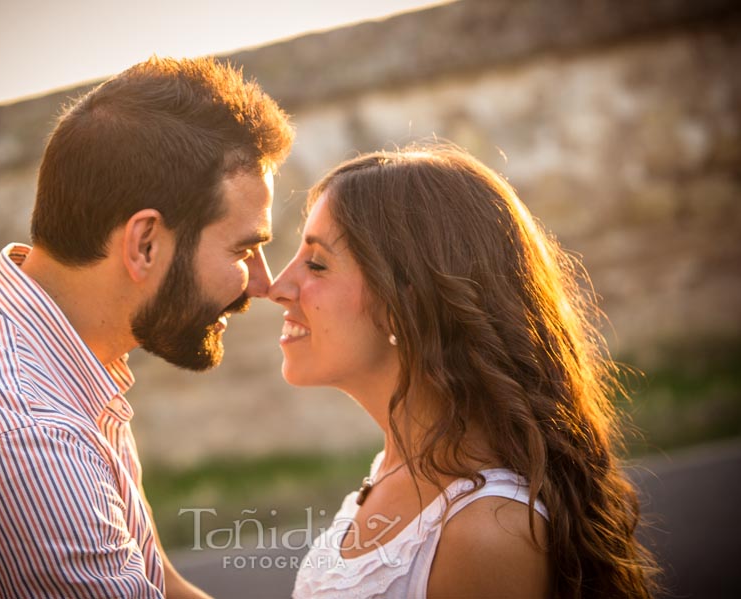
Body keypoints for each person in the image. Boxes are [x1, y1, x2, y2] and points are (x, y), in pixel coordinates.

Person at [0, 56, 293, 598]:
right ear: (144, 243)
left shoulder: (43, 343)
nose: (261, 284)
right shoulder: (27, 437)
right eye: (244, 248)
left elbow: (159, 583)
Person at [269, 146, 659, 598]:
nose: (278, 287)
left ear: (406, 303)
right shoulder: (395, 466)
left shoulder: (487, 532)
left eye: (316, 263)